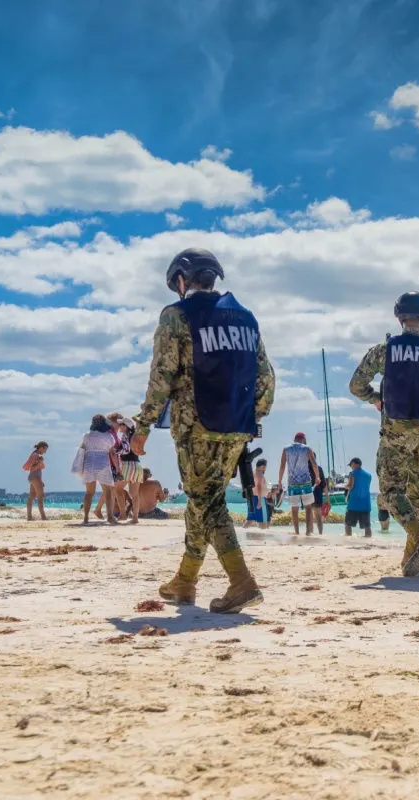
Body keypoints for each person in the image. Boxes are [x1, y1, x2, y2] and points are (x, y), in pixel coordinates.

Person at [132, 247, 275, 612]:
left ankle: (241, 581)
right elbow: (266, 377)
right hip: (238, 425)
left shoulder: (176, 316)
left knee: (206, 502)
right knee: (202, 501)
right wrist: (252, 416)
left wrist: (143, 425)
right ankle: (185, 580)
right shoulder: (245, 317)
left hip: (196, 426)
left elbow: (161, 376)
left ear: (181, 280)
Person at [349, 291, 419, 576]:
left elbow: (356, 385)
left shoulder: (386, 349)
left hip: (396, 430)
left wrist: (376, 398)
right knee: (417, 493)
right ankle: (411, 557)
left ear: (399, 317)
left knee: (390, 491)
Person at [75, 415, 118, 526]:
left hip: (89, 464)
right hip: (103, 463)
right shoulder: (108, 436)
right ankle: (110, 517)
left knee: (89, 492)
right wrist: (118, 468)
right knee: (107, 491)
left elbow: (82, 449)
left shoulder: (87, 436)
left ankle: (85, 518)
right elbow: (112, 452)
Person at [277, 433, 320, 535]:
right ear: (303, 439)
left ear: (295, 439)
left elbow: (282, 466)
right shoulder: (307, 448)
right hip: (305, 482)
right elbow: (314, 464)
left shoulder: (286, 449)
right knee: (308, 507)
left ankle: (296, 532)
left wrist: (279, 481)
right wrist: (317, 477)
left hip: (292, 483)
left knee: (294, 508)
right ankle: (308, 532)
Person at [345, 457, 372, 537]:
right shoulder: (369, 475)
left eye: (351, 465)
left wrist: (344, 486)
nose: (351, 467)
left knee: (348, 524)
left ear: (355, 464)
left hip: (354, 504)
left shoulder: (352, 474)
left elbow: (350, 486)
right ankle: (368, 541)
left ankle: (347, 540)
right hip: (365, 505)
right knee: (367, 526)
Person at [22, 441, 48, 521]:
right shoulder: (36, 455)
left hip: (33, 477)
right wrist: (40, 461)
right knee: (40, 497)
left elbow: (35, 469)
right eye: (45, 449)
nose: (45, 451)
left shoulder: (35, 454)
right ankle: (43, 517)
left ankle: (29, 517)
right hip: (35, 477)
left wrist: (41, 480)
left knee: (32, 497)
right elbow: (32, 468)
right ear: (41, 448)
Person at [244, 458, 271, 530]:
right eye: (265, 466)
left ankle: (244, 532)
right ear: (262, 466)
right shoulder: (259, 473)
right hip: (259, 498)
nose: (265, 468)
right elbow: (258, 486)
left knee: (250, 519)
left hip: (251, 498)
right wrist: (259, 500)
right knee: (263, 521)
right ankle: (264, 539)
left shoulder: (253, 472)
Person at [308, 459, 330, 534]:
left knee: (310, 515)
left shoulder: (304, 468)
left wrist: (327, 499)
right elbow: (323, 484)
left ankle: (311, 533)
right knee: (318, 516)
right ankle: (320, 533)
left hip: (308, 492)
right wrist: (327, 499)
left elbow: (323, 484)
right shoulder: (319, 468)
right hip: (317, 493)